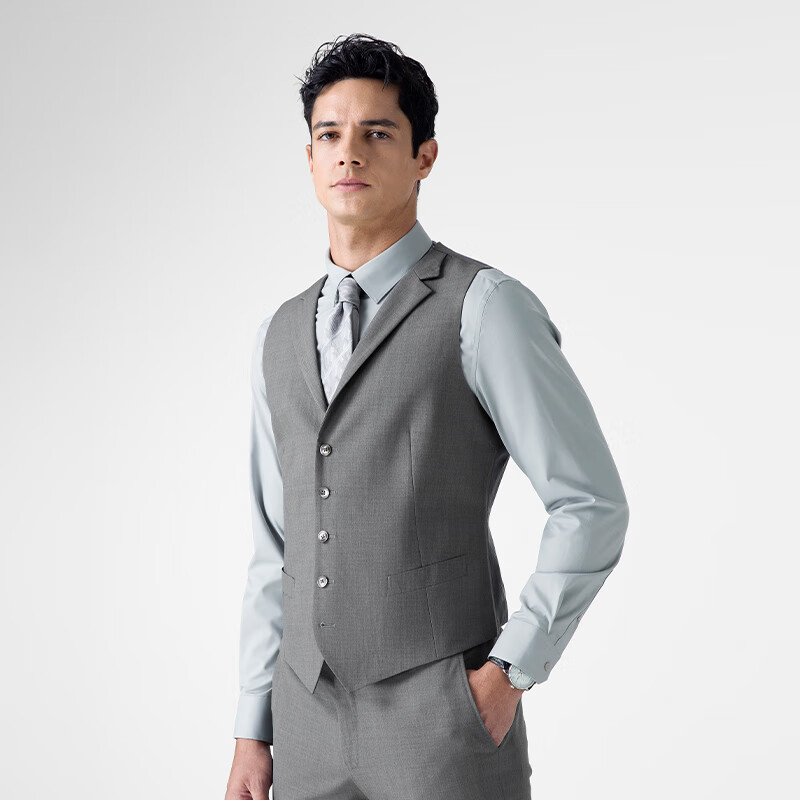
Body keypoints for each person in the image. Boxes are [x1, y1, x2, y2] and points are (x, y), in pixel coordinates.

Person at [224, 32, 629, 800]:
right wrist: (252, 727)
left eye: (378, 133)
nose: (350, 153)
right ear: (308, 159)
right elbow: (275, 549)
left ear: (424, 157)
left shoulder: (485, 306)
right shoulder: (277, 334)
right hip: (303, 722)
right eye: (329, 135)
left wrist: (509, 673)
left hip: (440, 720)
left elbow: (591, 503)